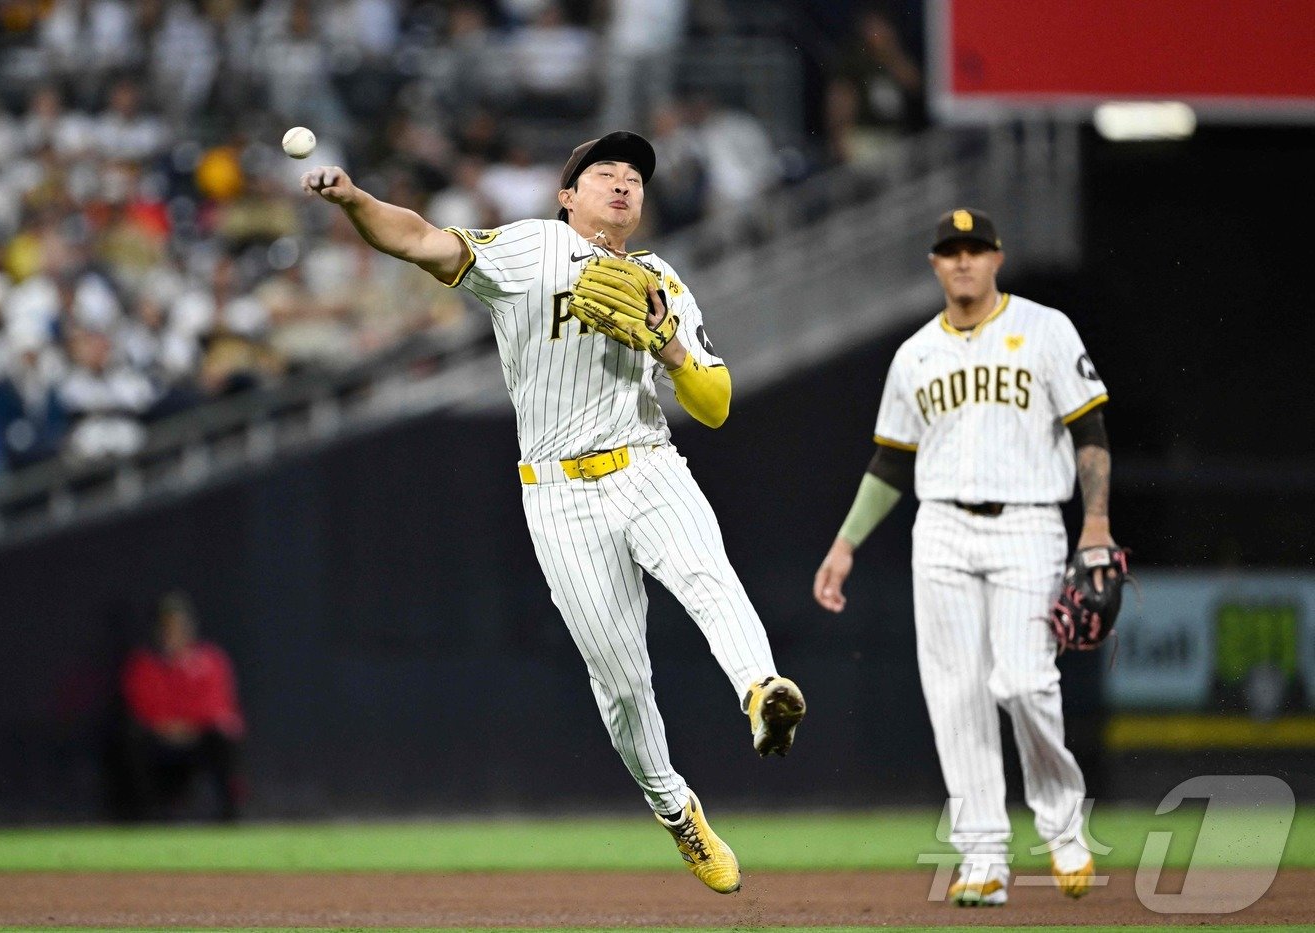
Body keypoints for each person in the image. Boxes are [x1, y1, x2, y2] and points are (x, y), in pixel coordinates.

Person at [300, 130, 805, 894]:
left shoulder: (662, 276)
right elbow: (424, 243)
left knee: (709, 576)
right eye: (605, 171)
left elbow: (718, 403)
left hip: (647, 461)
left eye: (635, 174)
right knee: (621, 679)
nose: (624, 182)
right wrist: (357, 201)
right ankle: (677, 810)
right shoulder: (529, 249)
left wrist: (667, 345)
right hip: (559, 490)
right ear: (567, 195)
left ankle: (762, 691)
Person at [812, 209, 1112, 906]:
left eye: (976, 249)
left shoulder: (1046, 329)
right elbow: (890, 461)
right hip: (941, 526)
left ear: (998, 258)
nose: (964, 261)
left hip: (1030, 523)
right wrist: (845, 544)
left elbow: (1090, 430)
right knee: (956, 694)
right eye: (951, 251)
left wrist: (1095, 521)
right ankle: (982, 855)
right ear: (935, 264)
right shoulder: (915, 353)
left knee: (1024, 682)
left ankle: (1065, 830)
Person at [119, 592, 246, 821]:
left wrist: (188, 725)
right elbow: (142, 706)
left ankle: (229, 814)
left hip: (199, 740)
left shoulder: (211, 660)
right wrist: (167, 726)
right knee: (131, 735)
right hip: (160, 742)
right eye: (167, 626)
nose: (174, 633)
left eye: (179, 626)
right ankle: (143, 816)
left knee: (226, 731)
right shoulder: (144, 664)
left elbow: (217, 705)